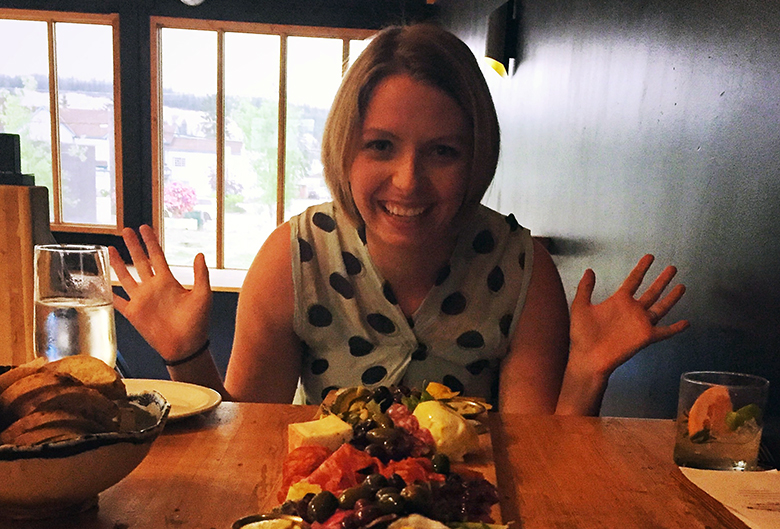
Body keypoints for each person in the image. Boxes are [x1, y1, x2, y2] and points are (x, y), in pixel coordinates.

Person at [109, 23, 688, 416]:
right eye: (381, 146)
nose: (408, 180)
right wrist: (186, 355)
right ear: (345, 149)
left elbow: (534, 461)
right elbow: (240, 440)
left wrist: (584, 376)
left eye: (443, 152)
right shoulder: (293, 257)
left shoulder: (521, 266)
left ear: (476, 157)